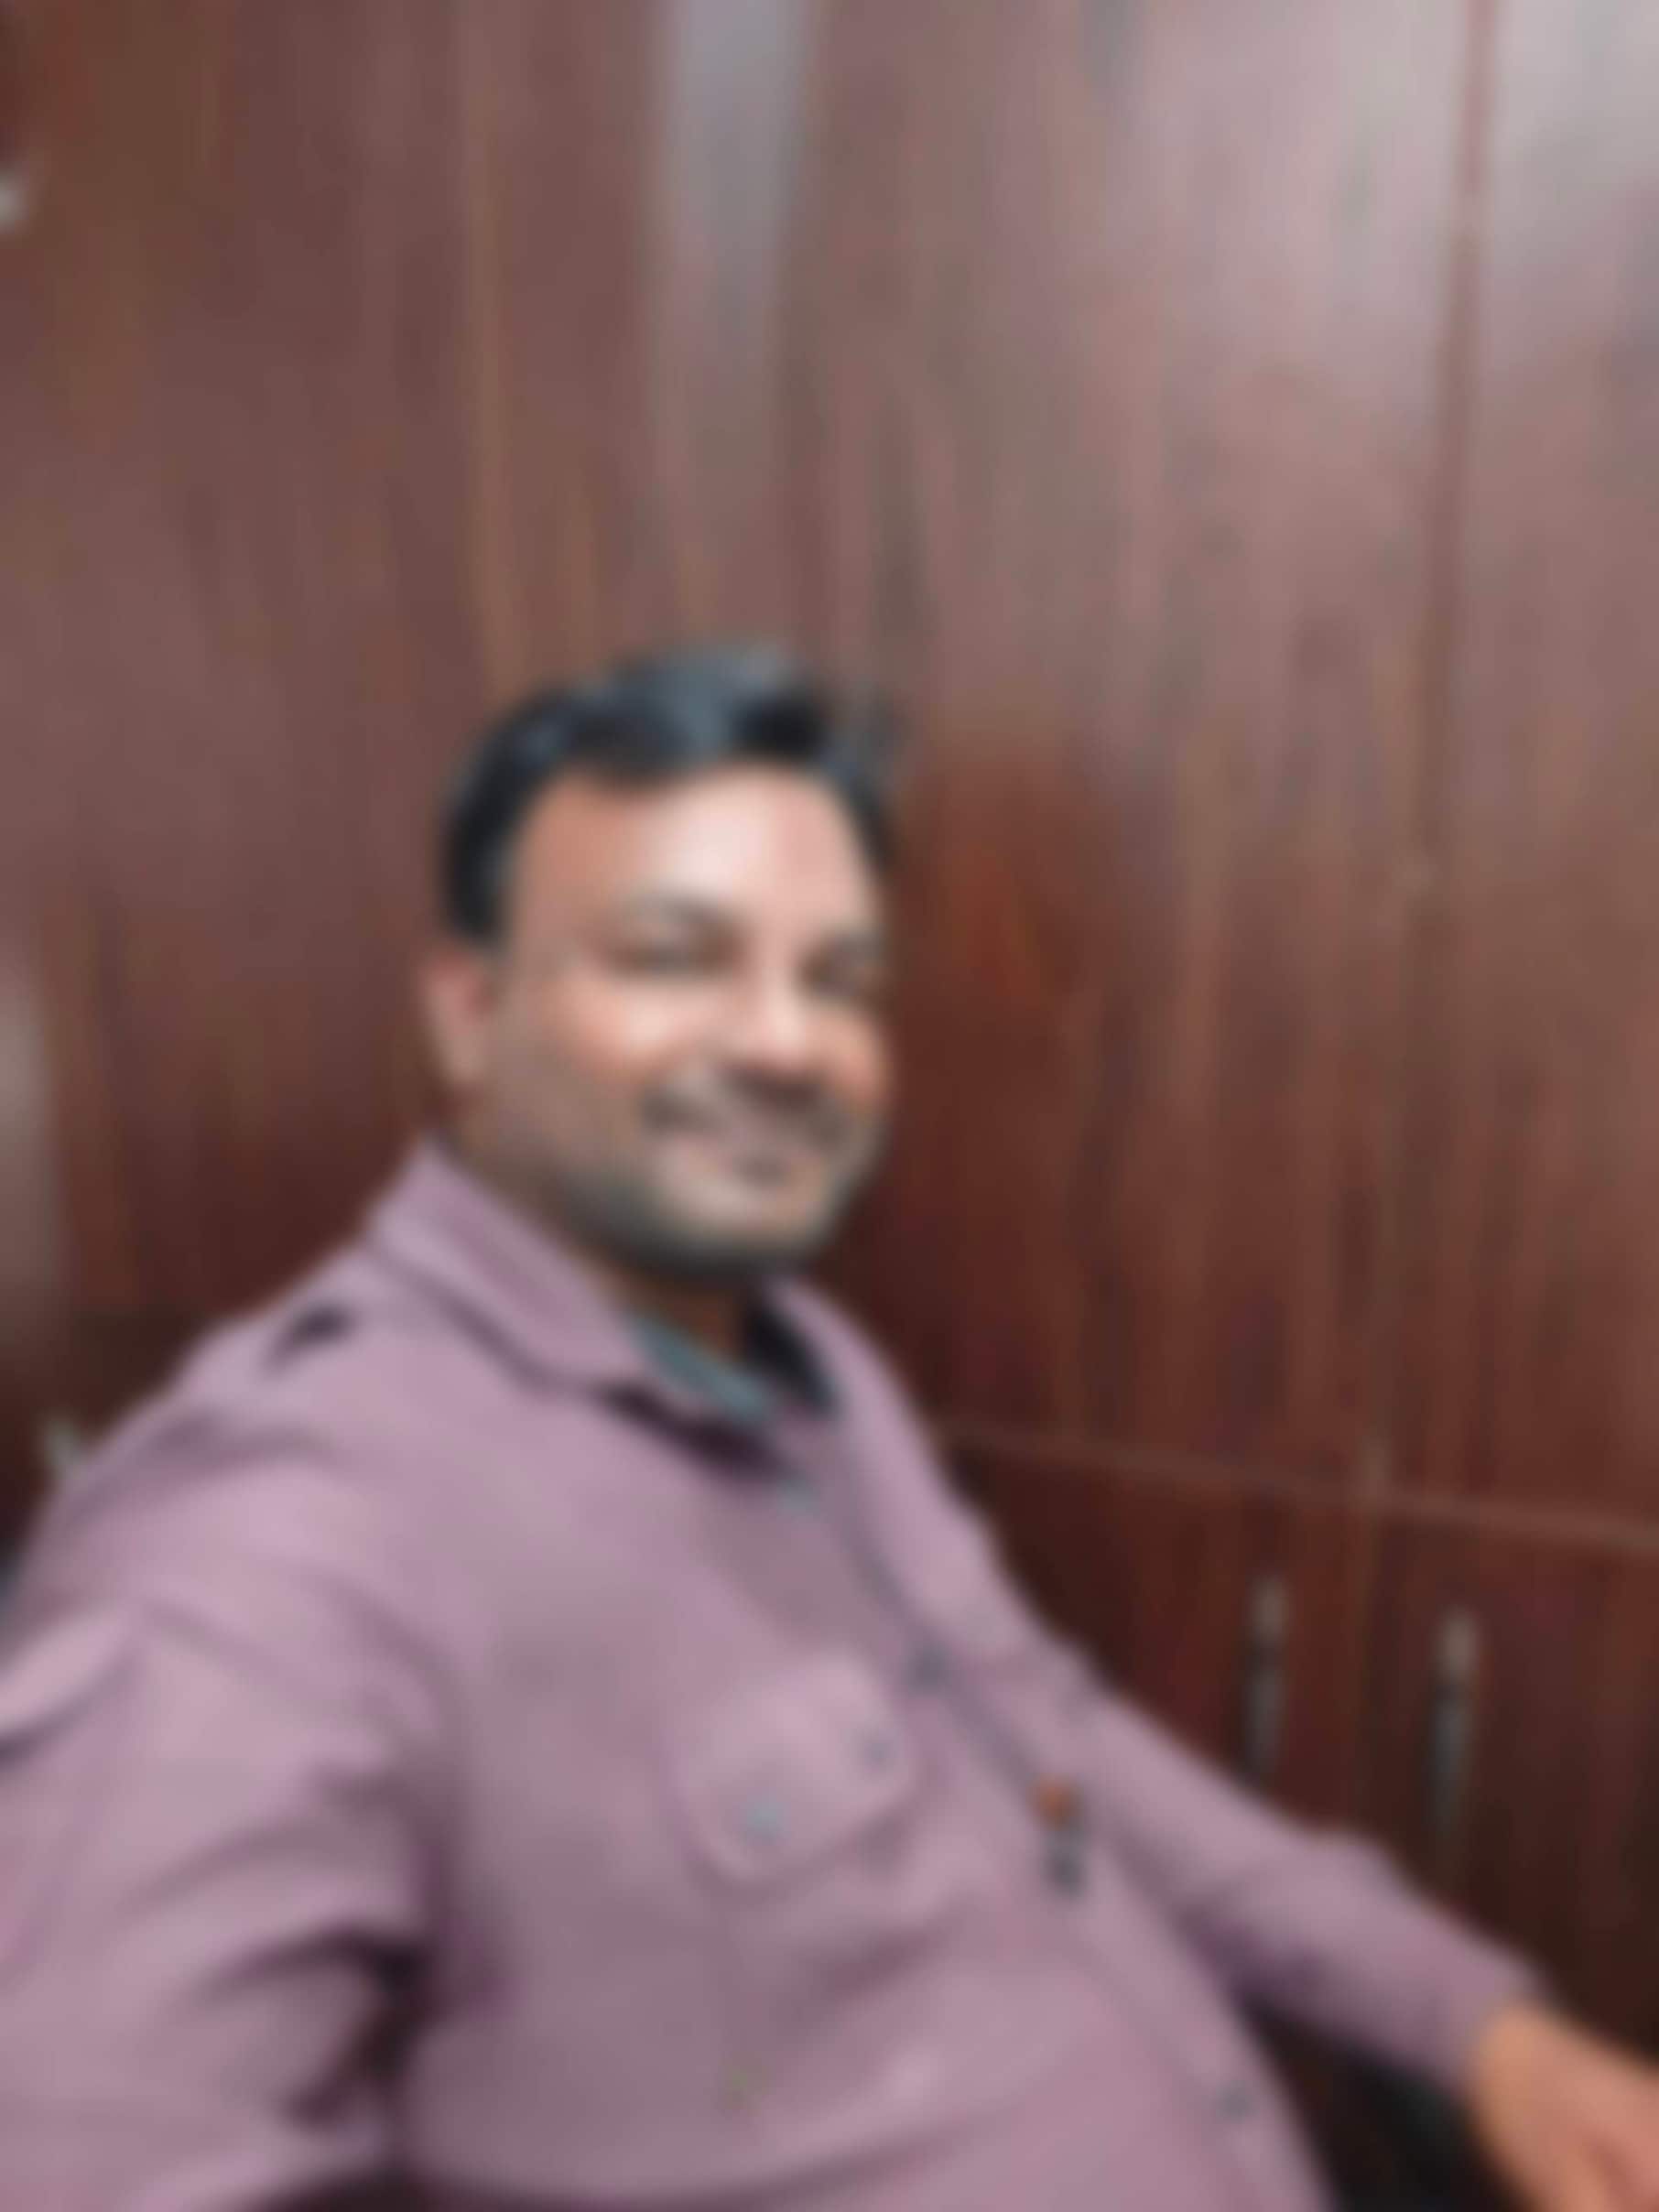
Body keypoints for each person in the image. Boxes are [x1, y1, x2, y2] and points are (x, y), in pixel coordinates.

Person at [1, 647, 1656, 2212]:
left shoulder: (799, 1361)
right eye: (672, 956)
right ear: (468, 1011)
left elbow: (1049, 1735)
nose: (788, 1044)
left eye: (840, 979)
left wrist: (1473, 2026)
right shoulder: (271, 1546)